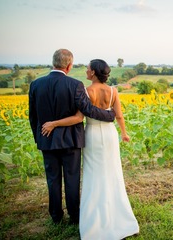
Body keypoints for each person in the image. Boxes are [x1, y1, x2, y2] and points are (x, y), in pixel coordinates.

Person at [42, 59, 139, 239]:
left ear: (93, 72)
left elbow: (79, 117)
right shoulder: (113, 91)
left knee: (93, 174)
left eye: (87, 69)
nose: (85, 71)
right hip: (110, 136)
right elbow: (119, 116)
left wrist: (54, 124)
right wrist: (124, 133)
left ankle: (94, 218)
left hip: (93, 135)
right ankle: (118, 215)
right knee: (112, 173)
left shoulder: (86, 91)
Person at [28, 49, 116, 225]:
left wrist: (39, 138)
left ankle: (56, 216)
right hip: (71, 141)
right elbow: (87, 109)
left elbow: (33, 116)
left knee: (52, 179)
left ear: (53, 62)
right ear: (69, 66)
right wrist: (109, 115)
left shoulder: (36, 85)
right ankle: (75, 216)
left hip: (47, 140)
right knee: (72, 178)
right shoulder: (75, 85)